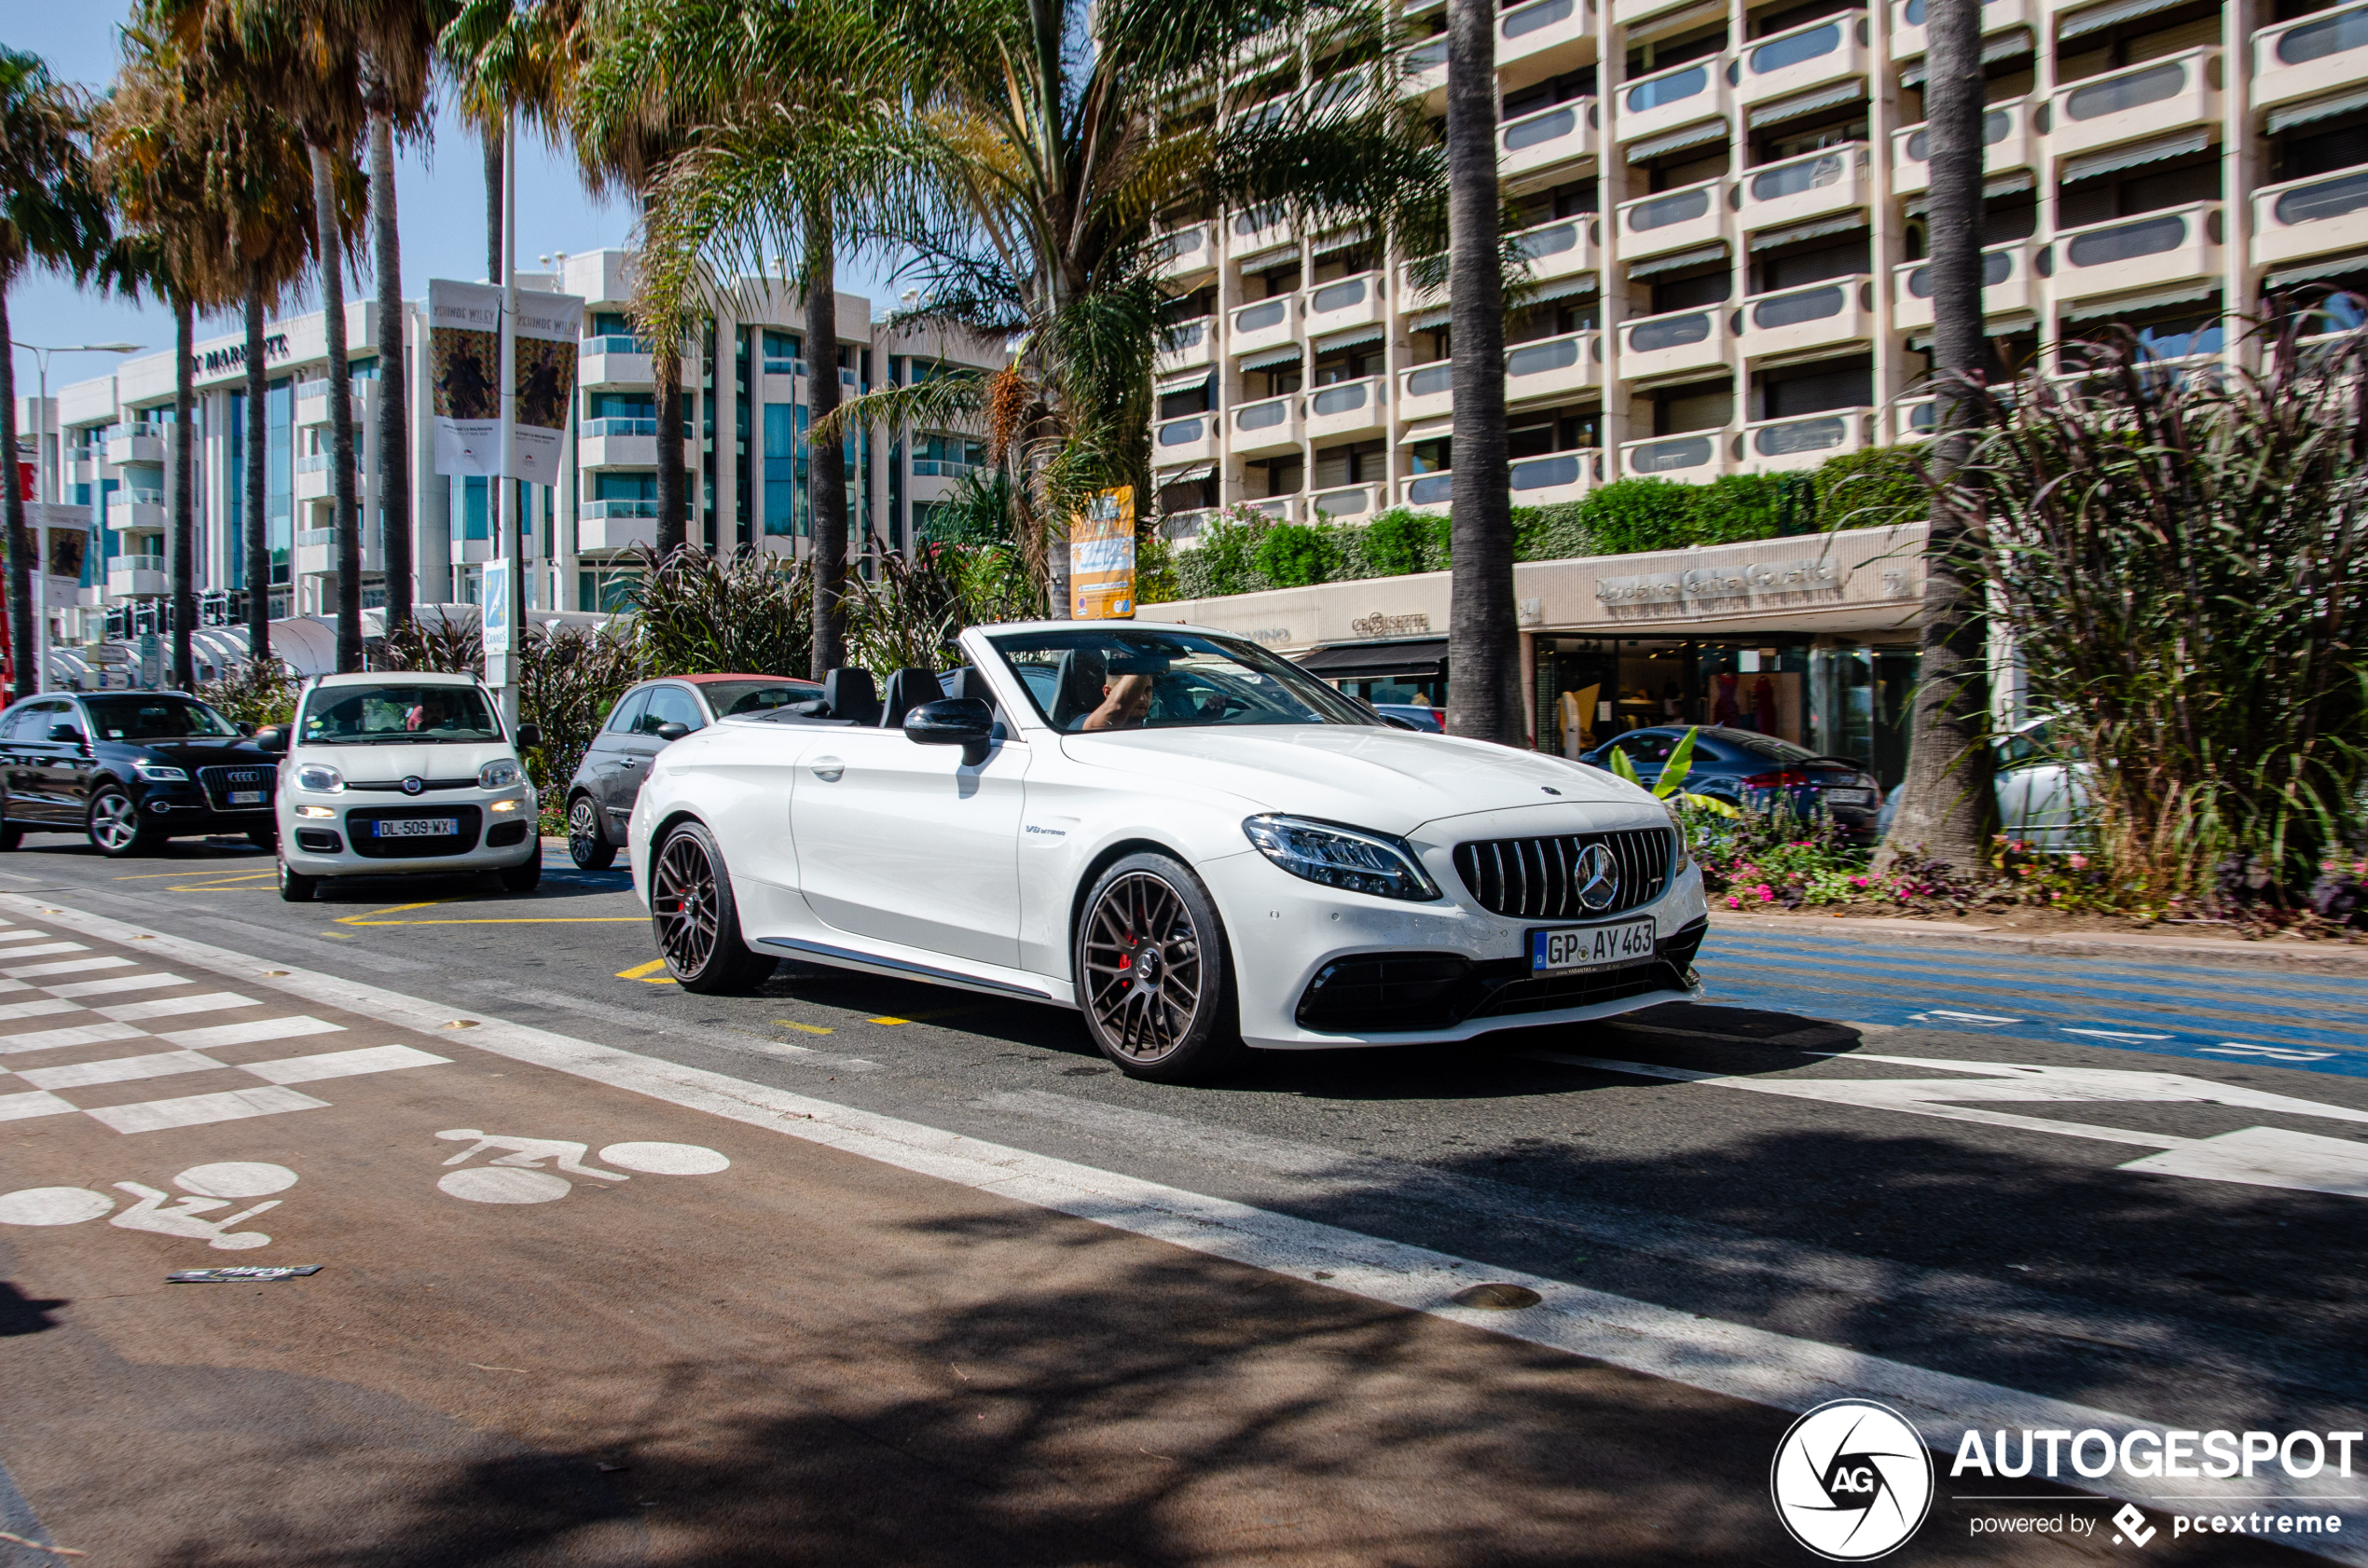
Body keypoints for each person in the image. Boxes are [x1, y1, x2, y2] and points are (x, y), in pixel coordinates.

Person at [1081, 672, 1155, 731]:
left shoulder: (1158, 728)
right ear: (1108, 692)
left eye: (1147, 691)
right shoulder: (1081, 725)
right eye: (1134, 692)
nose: (1142, 698)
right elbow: (1117, 708)